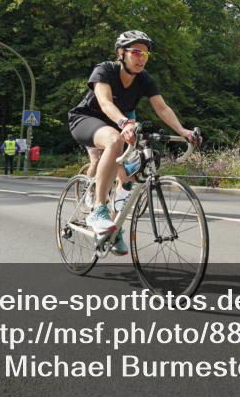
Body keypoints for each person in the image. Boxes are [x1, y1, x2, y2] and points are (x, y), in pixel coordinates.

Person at [67, 30, 197, 253]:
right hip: (88, 119)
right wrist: (124, 122)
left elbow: (162, 108)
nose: (141, 58)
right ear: (121, 53)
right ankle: (98, 206)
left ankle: (114, 229)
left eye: (146, 55)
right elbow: (106, 103)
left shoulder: (144, 79)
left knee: (130, 175)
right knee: (110, 144)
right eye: (136, 52)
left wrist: (183, 131)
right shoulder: (105, 70)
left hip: (123, 123)